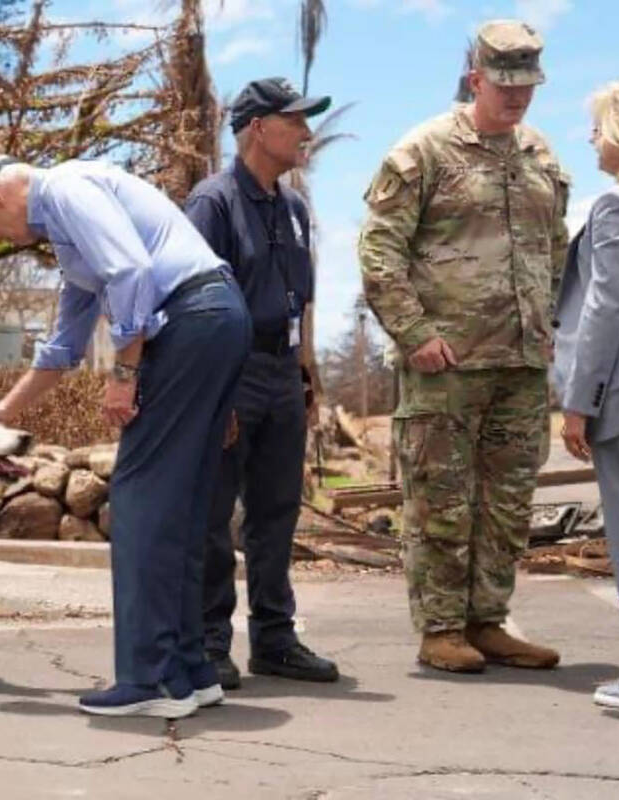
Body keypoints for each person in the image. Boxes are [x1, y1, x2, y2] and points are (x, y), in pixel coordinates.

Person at [0, 154, 251, 717]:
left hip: (190, 320)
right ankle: (190, 669)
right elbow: (63, 346)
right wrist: (6, 408)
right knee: (179, 507)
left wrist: (125, 371)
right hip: (212, 318)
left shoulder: (66, 188)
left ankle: (153, 681)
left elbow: (132, 272)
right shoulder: (70, 237)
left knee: (139, 500)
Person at [358, 20, 569, 673]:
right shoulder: (425, 151)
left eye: (526, 85)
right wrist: (415, 333)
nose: (516, 98)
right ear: (476, 79)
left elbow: (555, 249)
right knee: (441, 500)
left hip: (521, 363)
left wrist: (548, 326)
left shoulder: (539, 157)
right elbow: (378, 250)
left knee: (507, 504)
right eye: (504, 85)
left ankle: (488, 621)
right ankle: (441, 628)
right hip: (446, 364)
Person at [185, 77, 339, 688]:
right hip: (232, 369)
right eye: (295, 121)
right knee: (215, 514)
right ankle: (209, 643)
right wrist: (212, 391)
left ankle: (275, 639)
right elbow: (193, 303)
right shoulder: (212, 203)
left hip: (281, 373)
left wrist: (306, 373)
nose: (306, 133)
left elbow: (301, 298)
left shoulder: (294, 207)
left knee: (277, 512)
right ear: (257, 128)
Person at [552, 79, 619, 709]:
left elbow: (606, 307)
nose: (590, 138)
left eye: (600, 126)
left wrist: (580, 400)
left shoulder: (616, 206)